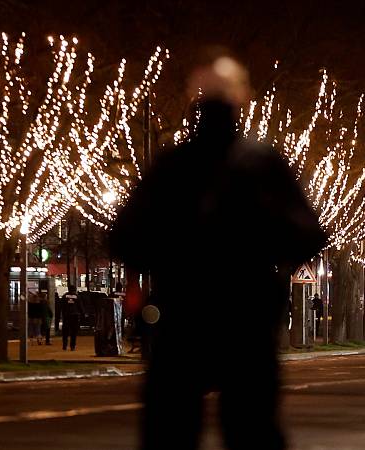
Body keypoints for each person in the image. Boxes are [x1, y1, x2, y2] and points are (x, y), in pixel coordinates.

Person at [108, 51, 326, 450]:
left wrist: (161, 262)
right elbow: (308, 233)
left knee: (170, 427)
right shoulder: (262, 164)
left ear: (196, 100)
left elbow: (124, 237)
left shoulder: (172, 166)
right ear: (240, 99)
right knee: (252, 425)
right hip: (247, 317)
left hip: (181, 315)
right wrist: (272, 264)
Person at [61, 285, 82, 351]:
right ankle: (72, 346)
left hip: (66, 315)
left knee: (65, 332)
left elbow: (61, 305)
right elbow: (80, 306)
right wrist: (83, 313)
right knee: (74, 332)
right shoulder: (77, 296)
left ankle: (64, 345)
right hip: (74, 315)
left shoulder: (65, 296)